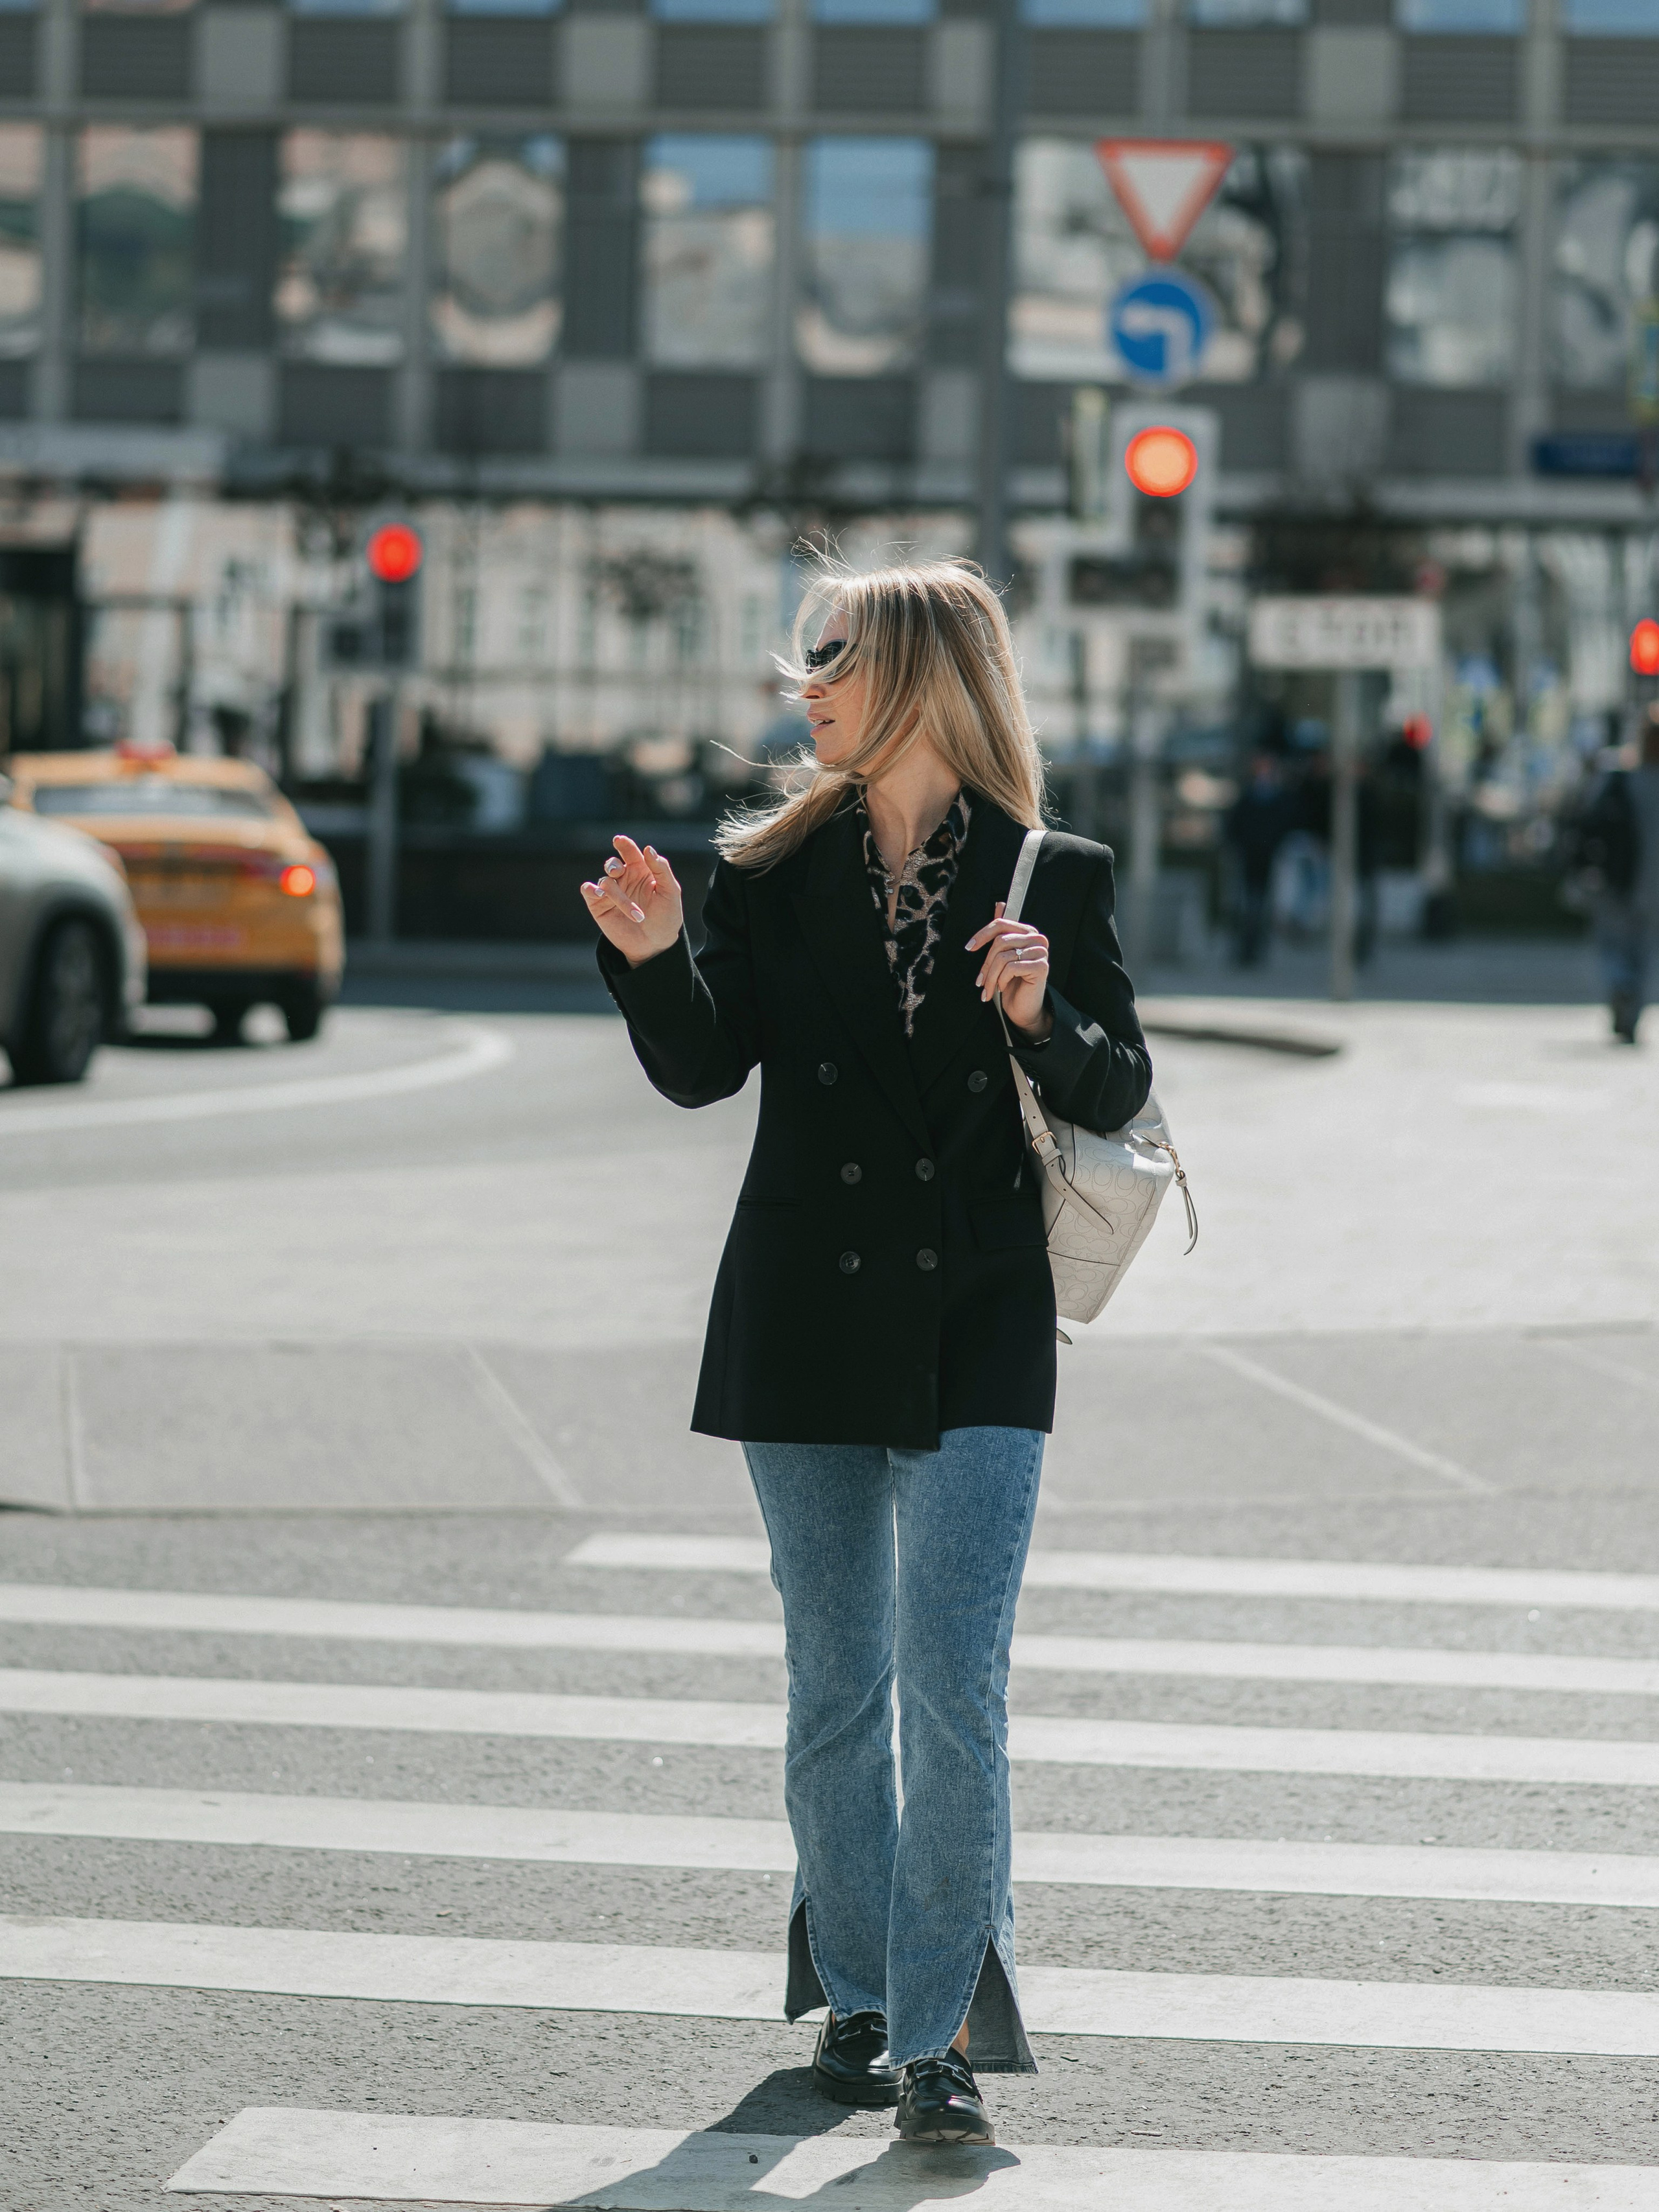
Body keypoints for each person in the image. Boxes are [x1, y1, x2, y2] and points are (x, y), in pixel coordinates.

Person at [581, 557, 1151, 2147]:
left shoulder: (1052, 872)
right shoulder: (768, 869)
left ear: (913, 673)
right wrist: (651, 955)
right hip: (807, 1312)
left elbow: (1116, 1090)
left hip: (979, 1316)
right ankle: (856, 1990)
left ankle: (937, 2033)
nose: (804, 684)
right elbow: (706, 1067)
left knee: (952, 1688)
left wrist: (1040, 1016)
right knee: (837, 1686)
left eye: (830, 657)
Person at [1577, 710, 1659, 1043]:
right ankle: (1632, 1008)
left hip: (1619, 876)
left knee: (1613, 942)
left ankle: (1620, 984)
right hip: (1654, 883)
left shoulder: (1621, 776)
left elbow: (1589, 817)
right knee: (1646, 949)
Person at [1224, 749, 1292, 967]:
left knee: (1262, 905)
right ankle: (1245, 949)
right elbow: (1235, 825)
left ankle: (1256, 949)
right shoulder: (1248, 796)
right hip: (1249, 858)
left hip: (1268, 858)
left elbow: (1284, 824)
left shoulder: (1277, 798)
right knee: (1247, 904)